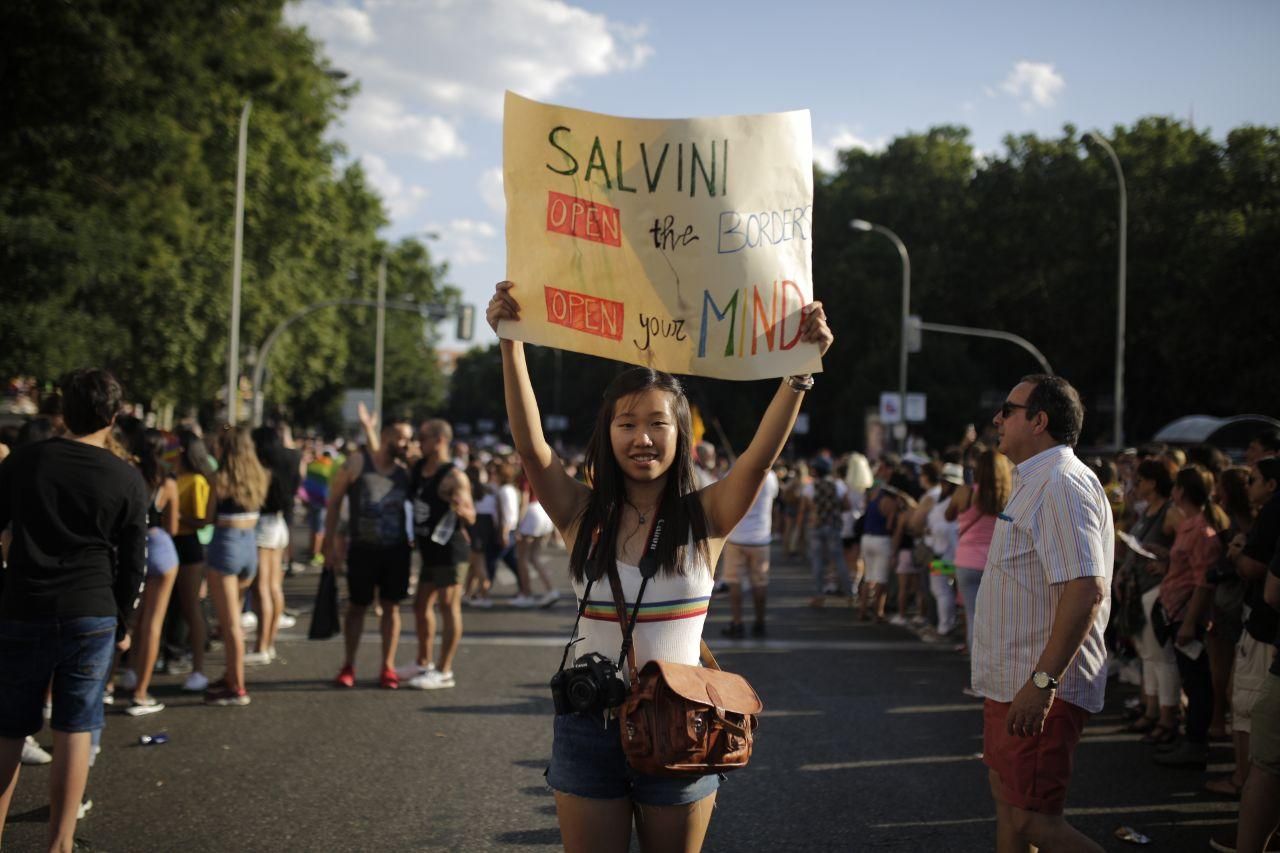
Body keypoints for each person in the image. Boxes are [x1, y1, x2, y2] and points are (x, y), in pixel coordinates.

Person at [487, 279, 831, 853]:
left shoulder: (708, 516)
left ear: (680, 435)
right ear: (607, 433)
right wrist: (511, 342)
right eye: (626, 424)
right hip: (588, 723)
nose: (642, 438)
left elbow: (758, 459)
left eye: (657, 423)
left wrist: (799, 371)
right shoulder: (578, 512)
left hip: (682, 726)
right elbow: (531, 448)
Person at [0, 368, 147, 852]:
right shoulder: (126, 477)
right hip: (91, 611)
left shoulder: (25, 461)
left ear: (63, 410)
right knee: (75, 728)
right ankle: (60, 843)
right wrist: (123, 620)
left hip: (22, 605)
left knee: (8, 729)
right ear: (113, 415)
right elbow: (134, 563)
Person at [972, 374, 1113, 853]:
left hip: (1037, 683)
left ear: (1039, 421)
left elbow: (1085, 588)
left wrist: (1043, 682)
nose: (997, 418)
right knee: (1010, 808)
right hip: (1014, 682)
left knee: (1034, 820)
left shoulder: (1060, 484)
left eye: (1008, 409)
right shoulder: (1036, 478)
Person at [325, 418, 413, 689]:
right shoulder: (357, 463)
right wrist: (329, 544)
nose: (406, 444)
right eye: (401, 438)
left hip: (396, 550)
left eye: (409, 439)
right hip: (362, 548)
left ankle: (387, 666)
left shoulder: (406, 471)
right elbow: (334, 501)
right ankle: (348, 664)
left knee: (391, 608)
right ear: (386, 436)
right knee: (357, 607)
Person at [1151, 465, 1226, 768]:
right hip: (1177, 611)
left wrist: (1191, 622)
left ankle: (1196, 743)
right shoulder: (1188, 525)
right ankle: (1190, 739)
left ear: (1181, 491)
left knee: (1197, 682)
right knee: (1190, 678)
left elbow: (1203, 583)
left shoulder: (1201, 531)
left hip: (1186, 615)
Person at [401, 419, 475, 690]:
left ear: (440, 440)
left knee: (448, 606)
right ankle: (423, 662)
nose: (418, 442)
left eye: (423, 438)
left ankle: (444, 671)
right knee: (420, 605)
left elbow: (471, 516)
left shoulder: (454, 476)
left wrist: (460, 508)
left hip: (451, 551)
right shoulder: (419, 467)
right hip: (430, 551)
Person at [1112, 458, 1181, 743]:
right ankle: (1152, 710)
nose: (1134, 485)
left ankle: (1168, 717)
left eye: (1138, 481)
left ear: (1153, 483)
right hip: (1139, 588)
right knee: (1149, 655)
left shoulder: (1170, 512)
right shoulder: (1147, 511)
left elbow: (1195, 546)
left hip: (1157, 589)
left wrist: (1168, 563)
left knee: (1161, 656)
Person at [204, 426, 270, 706]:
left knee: (230, 624)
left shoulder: (219, 478)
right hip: (249, 545)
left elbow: (208, 517)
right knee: (235, 619)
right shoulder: (259, 475)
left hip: (226, 544)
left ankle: (237, 687)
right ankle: (231, 674)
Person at [123, 429, 182, 716]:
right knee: (153, 624)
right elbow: (173, 527)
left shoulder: (127, 475)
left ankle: (109, 684)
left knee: (126, 618)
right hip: (161, 548)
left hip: (131, 547)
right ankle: (141, 692)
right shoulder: (167, 482)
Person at [947, 447, 1014, 658]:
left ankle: (977, 670)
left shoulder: (965, 493)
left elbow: (949, 515)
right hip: (998, 561)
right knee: (998, 619)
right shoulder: (1009, 494)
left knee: (973, 615)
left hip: (967, 562)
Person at [247, 426, 299, 666]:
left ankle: (261, 645)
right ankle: (269, 643)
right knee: (274, 588)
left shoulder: (263, 469)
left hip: (264, 528)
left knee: (262, 589)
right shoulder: (287, 462)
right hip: (279, 525)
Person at [172, 429, 215, 692]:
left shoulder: (197, 480)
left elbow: (202, 520)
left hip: (188, 545)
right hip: (169, 544)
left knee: (191, 608)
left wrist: (174, 515)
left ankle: (198, 669)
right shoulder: (171, 476)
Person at [721, 464, 779, 637]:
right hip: (760, 538)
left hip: (736, 537)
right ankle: (759, 623)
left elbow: (724, 497)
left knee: (734, 582)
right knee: (760, 582)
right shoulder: (770, 477)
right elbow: (774, 496)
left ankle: (737, 623)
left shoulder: (734, 471)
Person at [802, 456, 852, 607]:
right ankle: (849, 594)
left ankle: (819, 596)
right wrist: (834, 509)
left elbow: (806, 507)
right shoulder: (838, 485)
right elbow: (847, 505)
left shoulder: (810, 487)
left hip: (816, 526)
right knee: (839, 560)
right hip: (833, 525)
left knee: (817, 562)